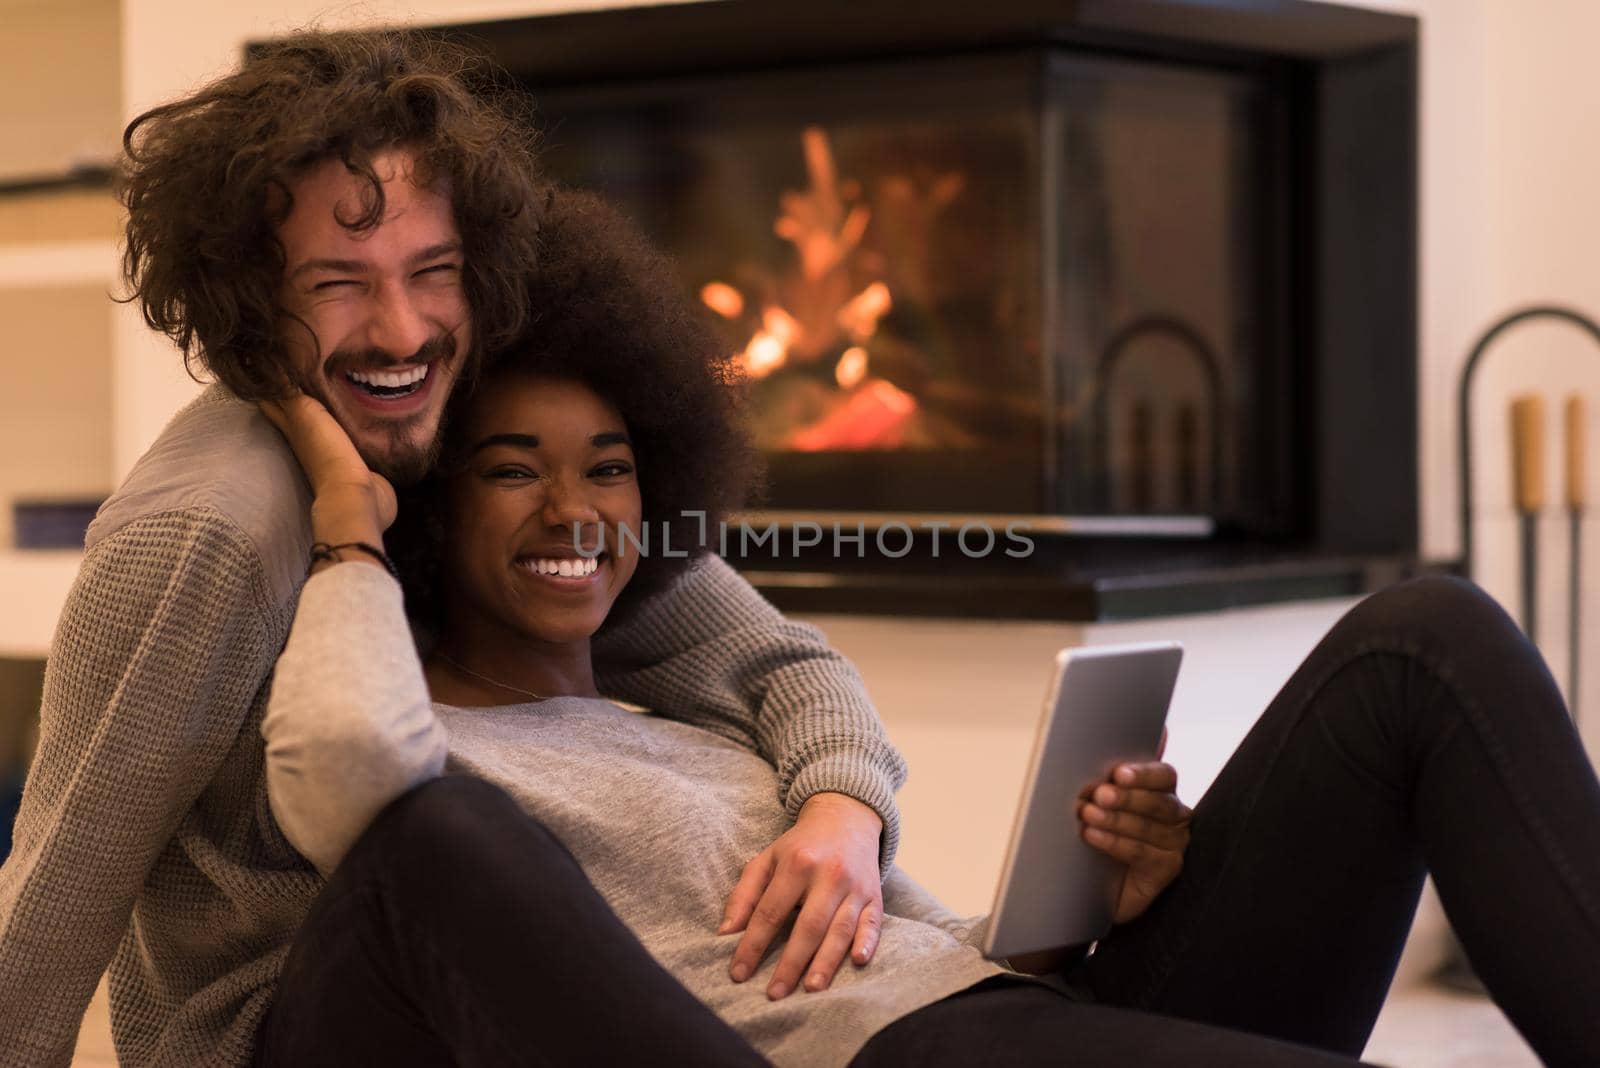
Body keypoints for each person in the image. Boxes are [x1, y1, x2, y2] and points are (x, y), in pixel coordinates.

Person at [258, 189, 1600, 1067]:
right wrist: (342, 512)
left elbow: (821, 731)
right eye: (510, 468)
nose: (575, 509)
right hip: (896, 1059)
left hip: (1007, 1001)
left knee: (1425, 638)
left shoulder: (678, 690)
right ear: (431, 506)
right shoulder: (443, 777)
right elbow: (351, 760)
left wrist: (1081, 916)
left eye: (610, 466)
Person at [0, 31, 906, 1068]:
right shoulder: (208, 532)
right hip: (291, 1027)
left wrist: (843, 805)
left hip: (485, 1003)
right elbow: (54, 897)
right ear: (249, 298)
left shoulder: (461, 419)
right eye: (340, 283)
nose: (401, 331)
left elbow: (771, 665)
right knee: (444, 836)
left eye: (432, 272)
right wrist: (347, 521)